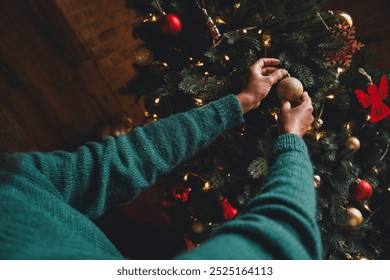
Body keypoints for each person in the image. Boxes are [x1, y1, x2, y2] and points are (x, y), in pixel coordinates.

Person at [0, 58, 320, 259]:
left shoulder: (14, 178)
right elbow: (278, 248)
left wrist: (242, 102)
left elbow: (122, 160)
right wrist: (291, 144)